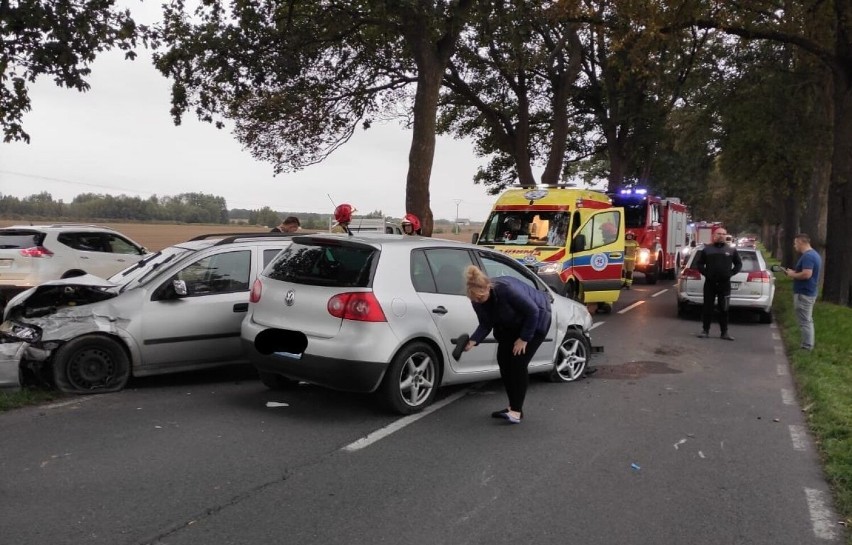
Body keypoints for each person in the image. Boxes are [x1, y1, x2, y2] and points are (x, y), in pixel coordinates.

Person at [462, 265, 552, 424]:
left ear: (488, 288)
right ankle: (514, 408)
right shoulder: (476, 301)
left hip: (536, 321)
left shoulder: (506, 290)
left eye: (481, 298)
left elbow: (533, 312)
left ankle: (516, 411)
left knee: (518, 363)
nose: (479, 302)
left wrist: (524, 338)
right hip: (511, 326)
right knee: (503, 361)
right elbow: (485, 323)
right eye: (475, 299)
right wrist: (473, 341)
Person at [694, 228, 742, 340]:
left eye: (723, 234)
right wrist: (706, 273)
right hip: (710, 283)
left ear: (726, 236)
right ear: (714, 235)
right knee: (707, 307)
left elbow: (738, 264)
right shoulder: (707, 249)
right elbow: (699, 264)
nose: (721, 236)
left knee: (724, 308)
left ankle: (724, 332)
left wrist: (731, 273)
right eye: (719, 234)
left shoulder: (731, 250)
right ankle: (705, 330)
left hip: (724, 284)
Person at [784, 233, 821, 351]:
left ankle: (807, 347)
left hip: (804, 293)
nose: (795, 246)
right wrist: (794, 271)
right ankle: (807, 344)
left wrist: (792, 274)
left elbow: (806, 274)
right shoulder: (814, 254)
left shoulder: (808, 256)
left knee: (805, 321)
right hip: (808, 291)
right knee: (807, 320)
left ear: (801, 242)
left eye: (795, 243)